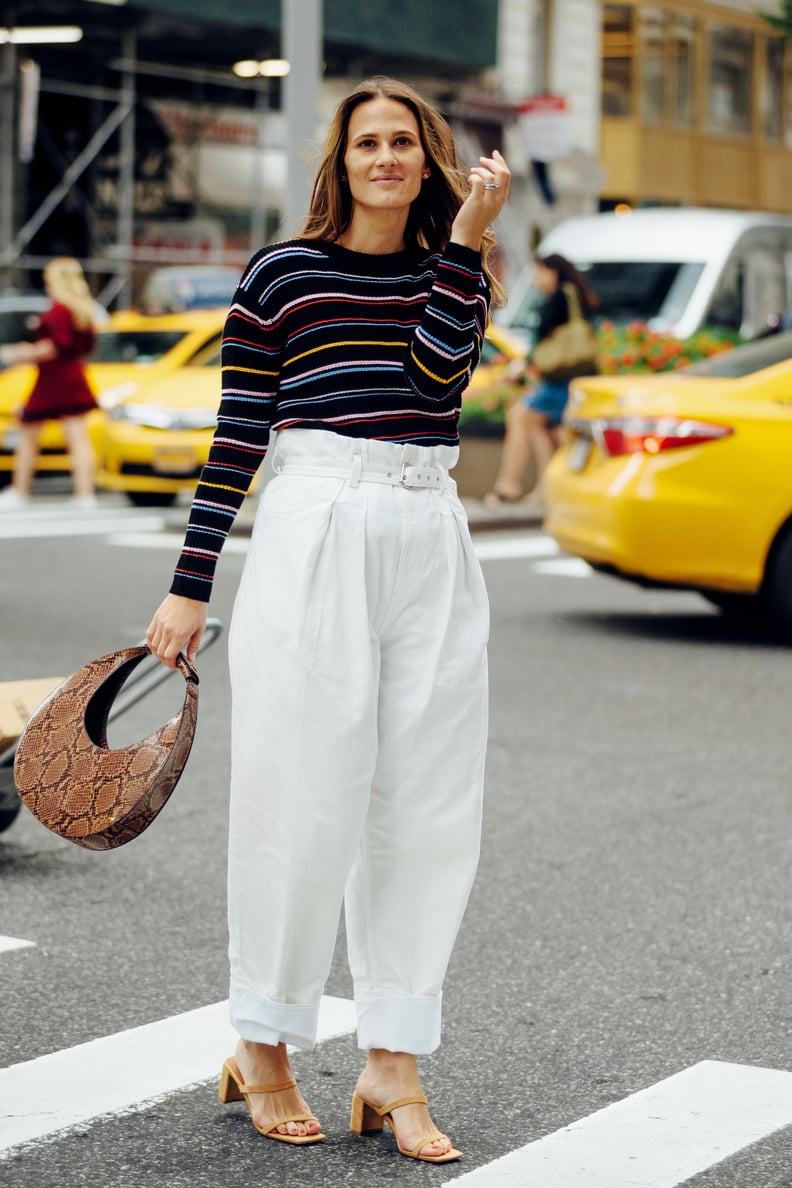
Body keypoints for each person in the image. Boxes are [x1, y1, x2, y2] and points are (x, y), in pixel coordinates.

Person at [146, 76, 510, 1163]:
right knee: (299, 798)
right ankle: (264, 1040)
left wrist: (469, 246)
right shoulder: (281, 272)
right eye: (368, 143)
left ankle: (392, 1060)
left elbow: (436, 380)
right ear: (341, 161)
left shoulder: (459, 271)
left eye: (405, 142)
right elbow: (237, 438)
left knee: (429, 805)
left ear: (431, 159)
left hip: (427, 525)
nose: (387, 157)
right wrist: (189, 581)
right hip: (315, 522)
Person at [484, 252, 598, 508]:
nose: (536, 279)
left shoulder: (561, 297)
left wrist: (523, 366)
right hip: (573, 378)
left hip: (562, 379)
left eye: (539, 272)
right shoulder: (576, 294)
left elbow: (542, 339)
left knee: (521, 416)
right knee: (542, 428)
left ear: (551, 271)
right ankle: (545, 489)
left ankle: (508, 485)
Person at [0, 257, 100, 509]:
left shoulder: (59, 310)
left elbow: (56, 344)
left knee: (28, 434)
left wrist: (28, 352)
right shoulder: (83, 310)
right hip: (73, 373)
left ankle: (19, 491)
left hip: (53, 377)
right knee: (78, 437)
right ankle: (85, 493)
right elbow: (86, 346)